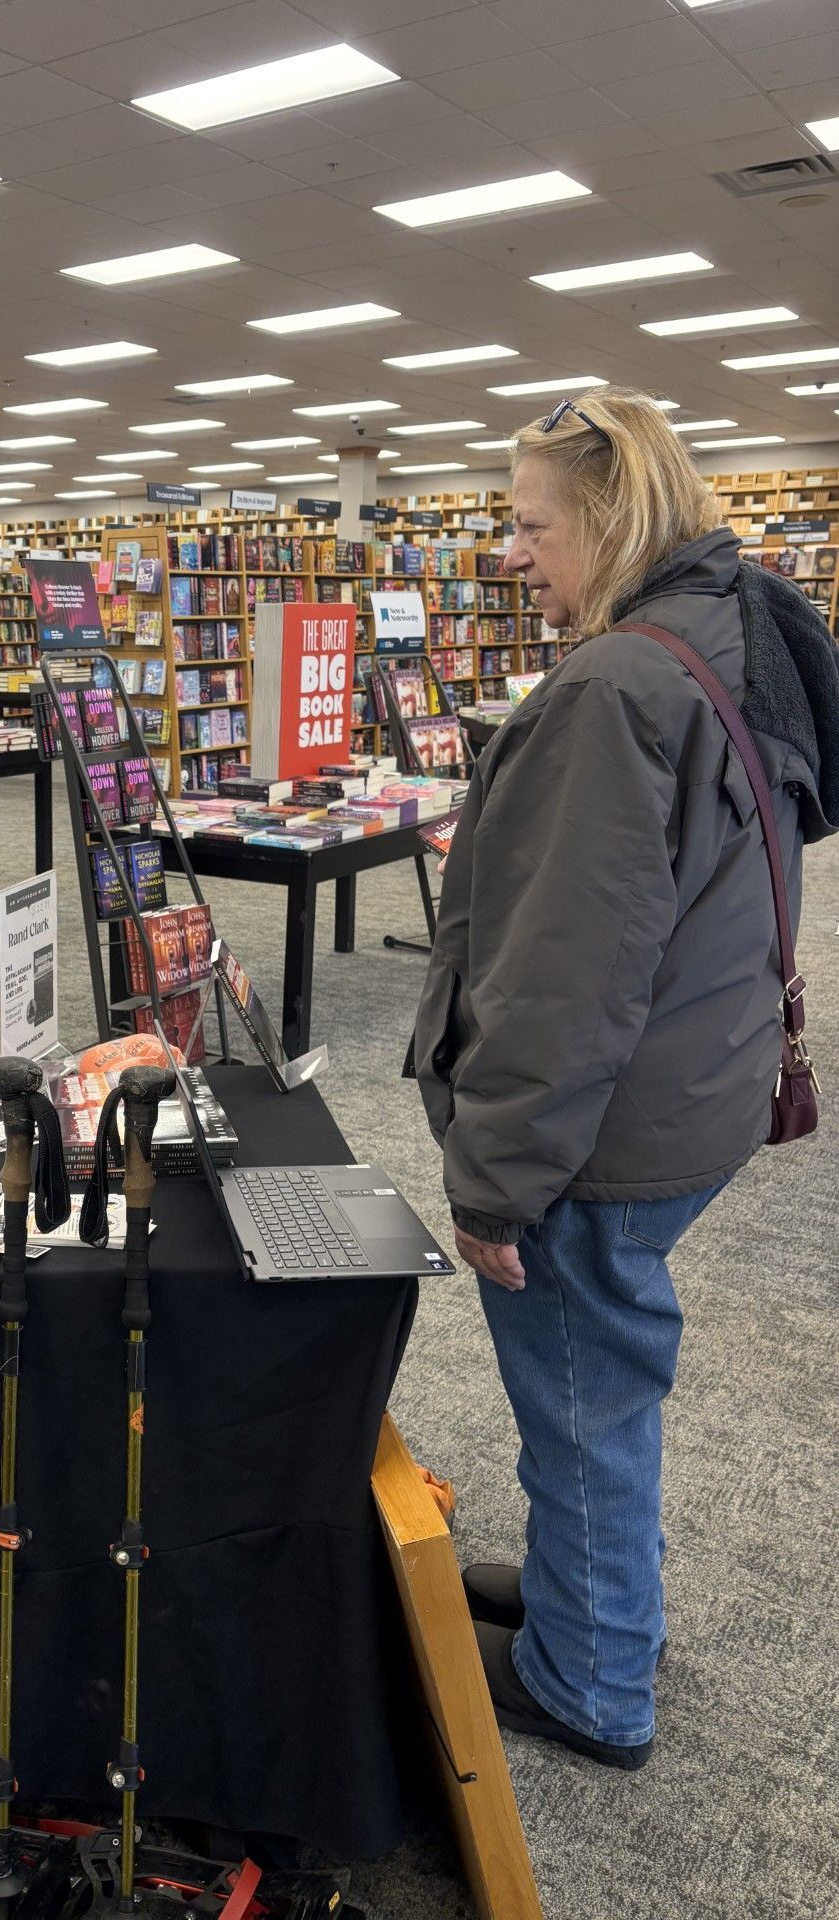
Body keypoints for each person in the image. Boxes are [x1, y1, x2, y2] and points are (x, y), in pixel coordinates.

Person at [413, 388, 839, 1770]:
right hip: (699, 1080)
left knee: (584, 1393)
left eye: (533, 526)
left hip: (605, 1124)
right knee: (608, 1375)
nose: (514, 555)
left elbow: (561, 981)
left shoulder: (610, 688)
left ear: (608, 516)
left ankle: (594, 1680)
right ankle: (587, 1605)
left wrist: (491, 1185)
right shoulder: (729, 633)